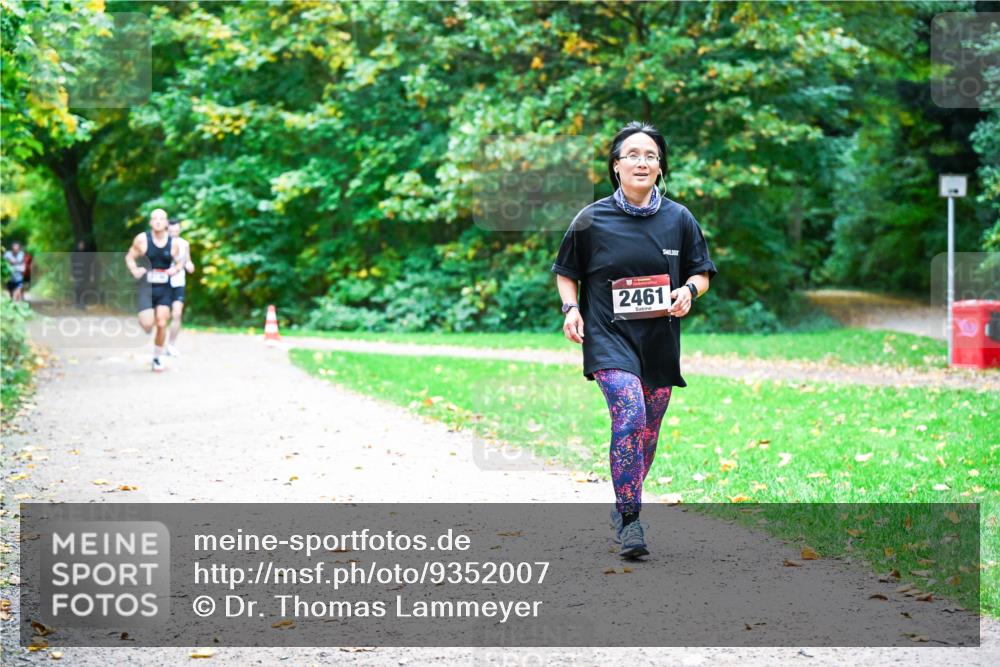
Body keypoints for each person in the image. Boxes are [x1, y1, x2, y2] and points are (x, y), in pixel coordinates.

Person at [551, 121, 717, 559]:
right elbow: (566, 272)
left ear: (660, 168)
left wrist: (688, 291)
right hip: (608, 337)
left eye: (651, 156)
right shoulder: (591, 219)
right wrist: (572, 309)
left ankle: (624, 500)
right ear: (616, 165)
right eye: (633, 155)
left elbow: (701, 273)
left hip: (659, 342)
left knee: (647, 429)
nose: (642, 162)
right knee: (629, 414)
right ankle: (630, 519)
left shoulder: (679, 219)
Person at [124, 209, 184, 372]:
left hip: (164, 288)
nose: (158, 221)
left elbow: (180, 262)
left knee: (162, 323)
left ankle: (157, 358)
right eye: (154, 219)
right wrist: (135, 270)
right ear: (150, 222)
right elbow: (129, 257)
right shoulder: (142, 240)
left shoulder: (173, 243)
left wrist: (176, 269)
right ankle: (144, 322)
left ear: (166, 223)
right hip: (146, 287)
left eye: (161, 219)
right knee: (148, 325)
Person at [165, 218, 195, 357]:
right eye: (171, 231)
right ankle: (159, 342)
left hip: (178, 282)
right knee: (162, 316)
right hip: (162, 282)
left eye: (176, 230)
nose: (173, 233)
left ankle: (171, 345)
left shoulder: (185, 244)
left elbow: (188, 261)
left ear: (180, 230)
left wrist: (189, 265)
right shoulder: (161, 243)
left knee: (177, 314)